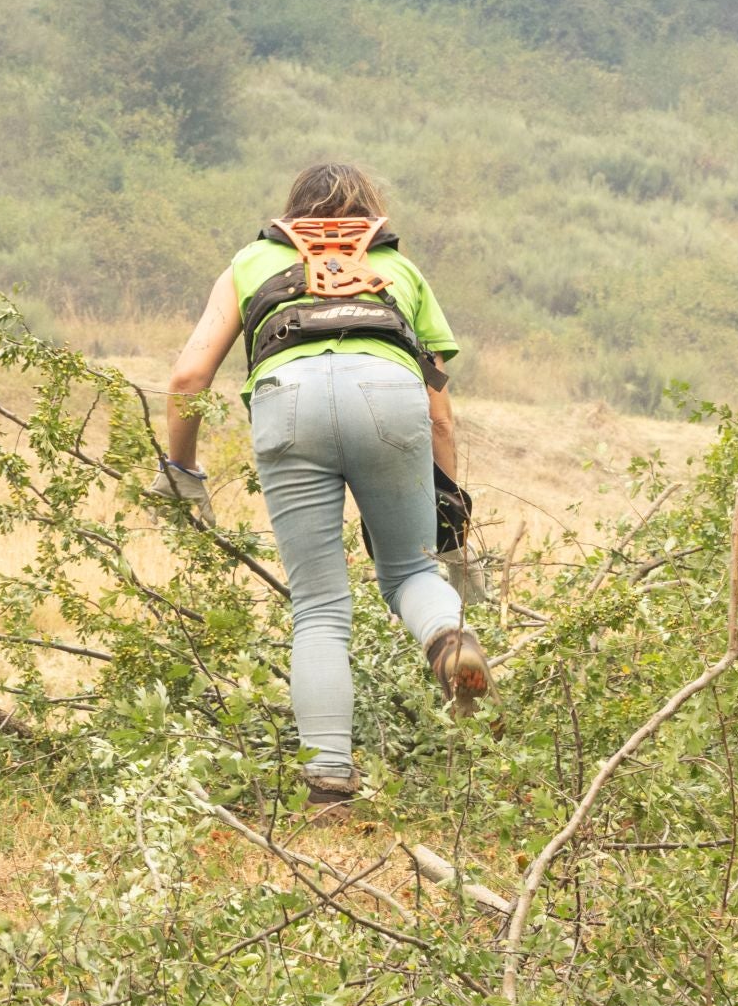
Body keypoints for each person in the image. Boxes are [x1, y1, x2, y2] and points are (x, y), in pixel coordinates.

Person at [153, 162, 491, 807]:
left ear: (292, 216)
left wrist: (184, 474)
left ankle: (330, 785)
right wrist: (450, 513)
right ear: (370, 217)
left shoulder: (249, 262)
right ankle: (448, 643)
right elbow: (440, 410)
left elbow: (188, 378)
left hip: (289, 400)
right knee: (412, 573)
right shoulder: (402, 271)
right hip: (388, 395)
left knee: (318, 607)